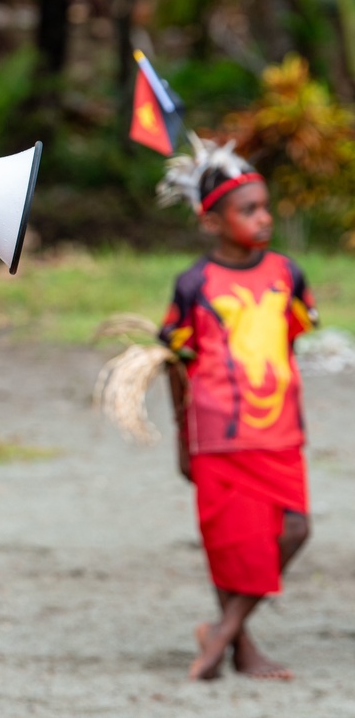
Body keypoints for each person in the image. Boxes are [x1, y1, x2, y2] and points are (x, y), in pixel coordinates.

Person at [157, 136, 317, 681]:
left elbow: (288, 344)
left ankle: (221, 632)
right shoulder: (193, 285)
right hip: (217, 431)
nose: (263, 217)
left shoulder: (288, 274)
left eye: (264, 206)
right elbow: (174, 364)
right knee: (230, 543)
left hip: (278, 428)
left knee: (294, 530)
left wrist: (297, 414)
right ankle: (243, 650)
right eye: (248, 210)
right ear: (212, 221)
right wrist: (183, 439)